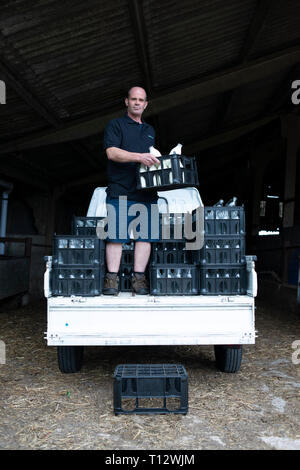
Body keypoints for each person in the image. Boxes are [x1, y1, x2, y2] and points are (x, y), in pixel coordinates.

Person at [102, 86, 160, 295]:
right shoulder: (116, 125)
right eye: (133, 99)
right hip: (120, 189)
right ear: (126, 101)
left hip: (146, 192)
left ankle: (139, 280)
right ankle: (111, 281)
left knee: (146, 237)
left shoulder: (150, 131)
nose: (137, 103)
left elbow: (153, 158)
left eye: (141, 100)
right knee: (116, 236)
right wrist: (139, 157)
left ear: (146, 104)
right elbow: (112, 152)